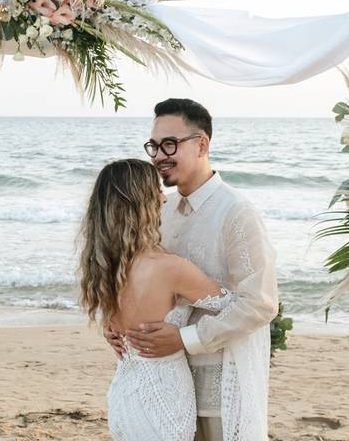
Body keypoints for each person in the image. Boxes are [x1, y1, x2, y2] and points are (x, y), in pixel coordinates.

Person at [107, 98, 279, 441]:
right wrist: (118, 325)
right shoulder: (159, 209)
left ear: (202, 144)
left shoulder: (237, 213)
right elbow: (140, 277)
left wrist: (184, 339)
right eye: (154, 146)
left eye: (170, 144)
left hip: (219, 386)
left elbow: (260, 303)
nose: (158, 155)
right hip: (163, 390)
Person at [78, 159, 233, 441]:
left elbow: (116, 323)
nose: (164, 197)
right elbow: (235, 309)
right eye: (156, 191)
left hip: (124, 395)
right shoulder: (171, 268)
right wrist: (187, 335)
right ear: (141, 204)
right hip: (164, 396)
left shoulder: (103, 268)